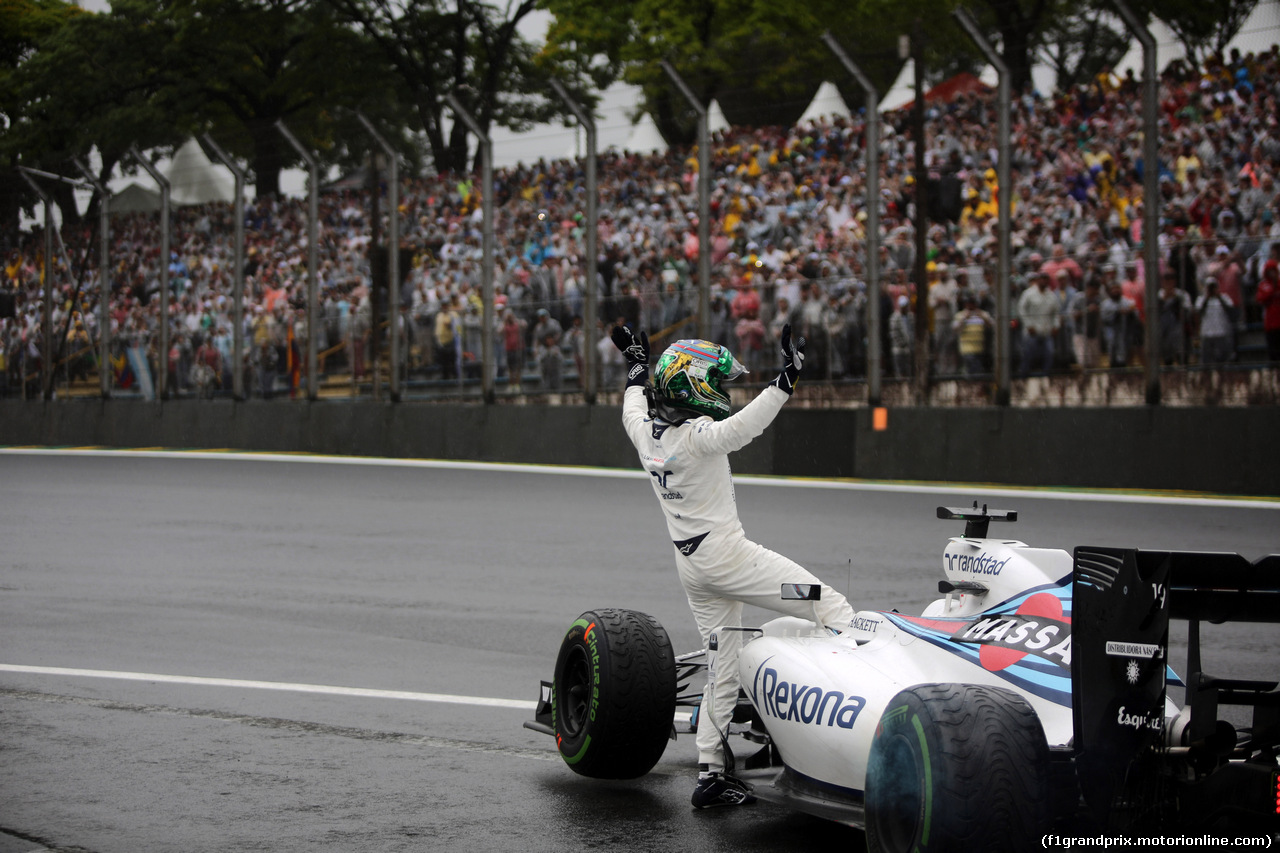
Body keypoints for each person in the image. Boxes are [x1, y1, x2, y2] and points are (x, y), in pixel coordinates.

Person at [610, 324, 855, 809]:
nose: (721, 392)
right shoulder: (698, 438)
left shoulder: (645, 434)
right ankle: (842, 730)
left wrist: (636, 364)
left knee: (723, 662)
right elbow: (744, 427)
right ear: (695, 386)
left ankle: (710, 775)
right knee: (832, 607)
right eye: (717, 384)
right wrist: (786, 380)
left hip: (692, 566)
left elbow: (632, 401)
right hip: (729, 558)